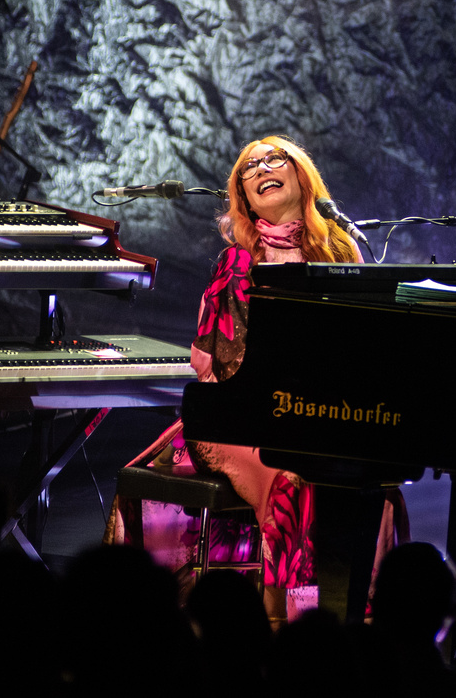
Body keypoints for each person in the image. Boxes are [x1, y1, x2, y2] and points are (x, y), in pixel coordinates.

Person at [106, 136, 407, 621]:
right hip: (232, 422)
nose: (264, 166)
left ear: (301, 175)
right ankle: (285, 623)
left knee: (369, 479)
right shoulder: (238, 263)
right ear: (243, 196)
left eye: (276, 158)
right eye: (250, 166)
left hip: (311, 417)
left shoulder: (341, 249)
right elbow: (210, 363)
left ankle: (359, 618)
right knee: (292, 480)